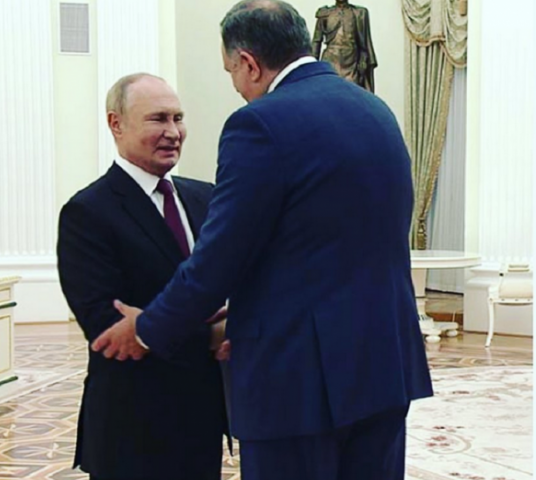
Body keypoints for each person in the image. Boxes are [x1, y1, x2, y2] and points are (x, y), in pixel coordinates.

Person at [92, 1, 433, 479]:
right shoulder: (375, 110)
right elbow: (326, 246)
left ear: (249, 62)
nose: (236, 85)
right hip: (384, 363)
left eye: (231, 71)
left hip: (298, 380)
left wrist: (149, 328)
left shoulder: (259, 124)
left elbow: (219, 259)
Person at [57, 73, 228, 480]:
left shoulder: (206, 198)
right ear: (116, 123)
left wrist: (151, 324)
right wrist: (212, 333)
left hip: (203, 421)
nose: (173, 132)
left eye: (178, 118)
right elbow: (109, 330)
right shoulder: (88, 213)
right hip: (131, 430)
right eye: (158, 119)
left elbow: (236, 285)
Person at [313, 0, 378, 92]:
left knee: (353, 93)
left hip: (351, 63)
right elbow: (316, 41)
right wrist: (311, 66)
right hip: (330, 61)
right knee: (328, 93)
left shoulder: (359, 14)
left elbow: (364, 44)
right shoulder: (325, 14)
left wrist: (363, 59)